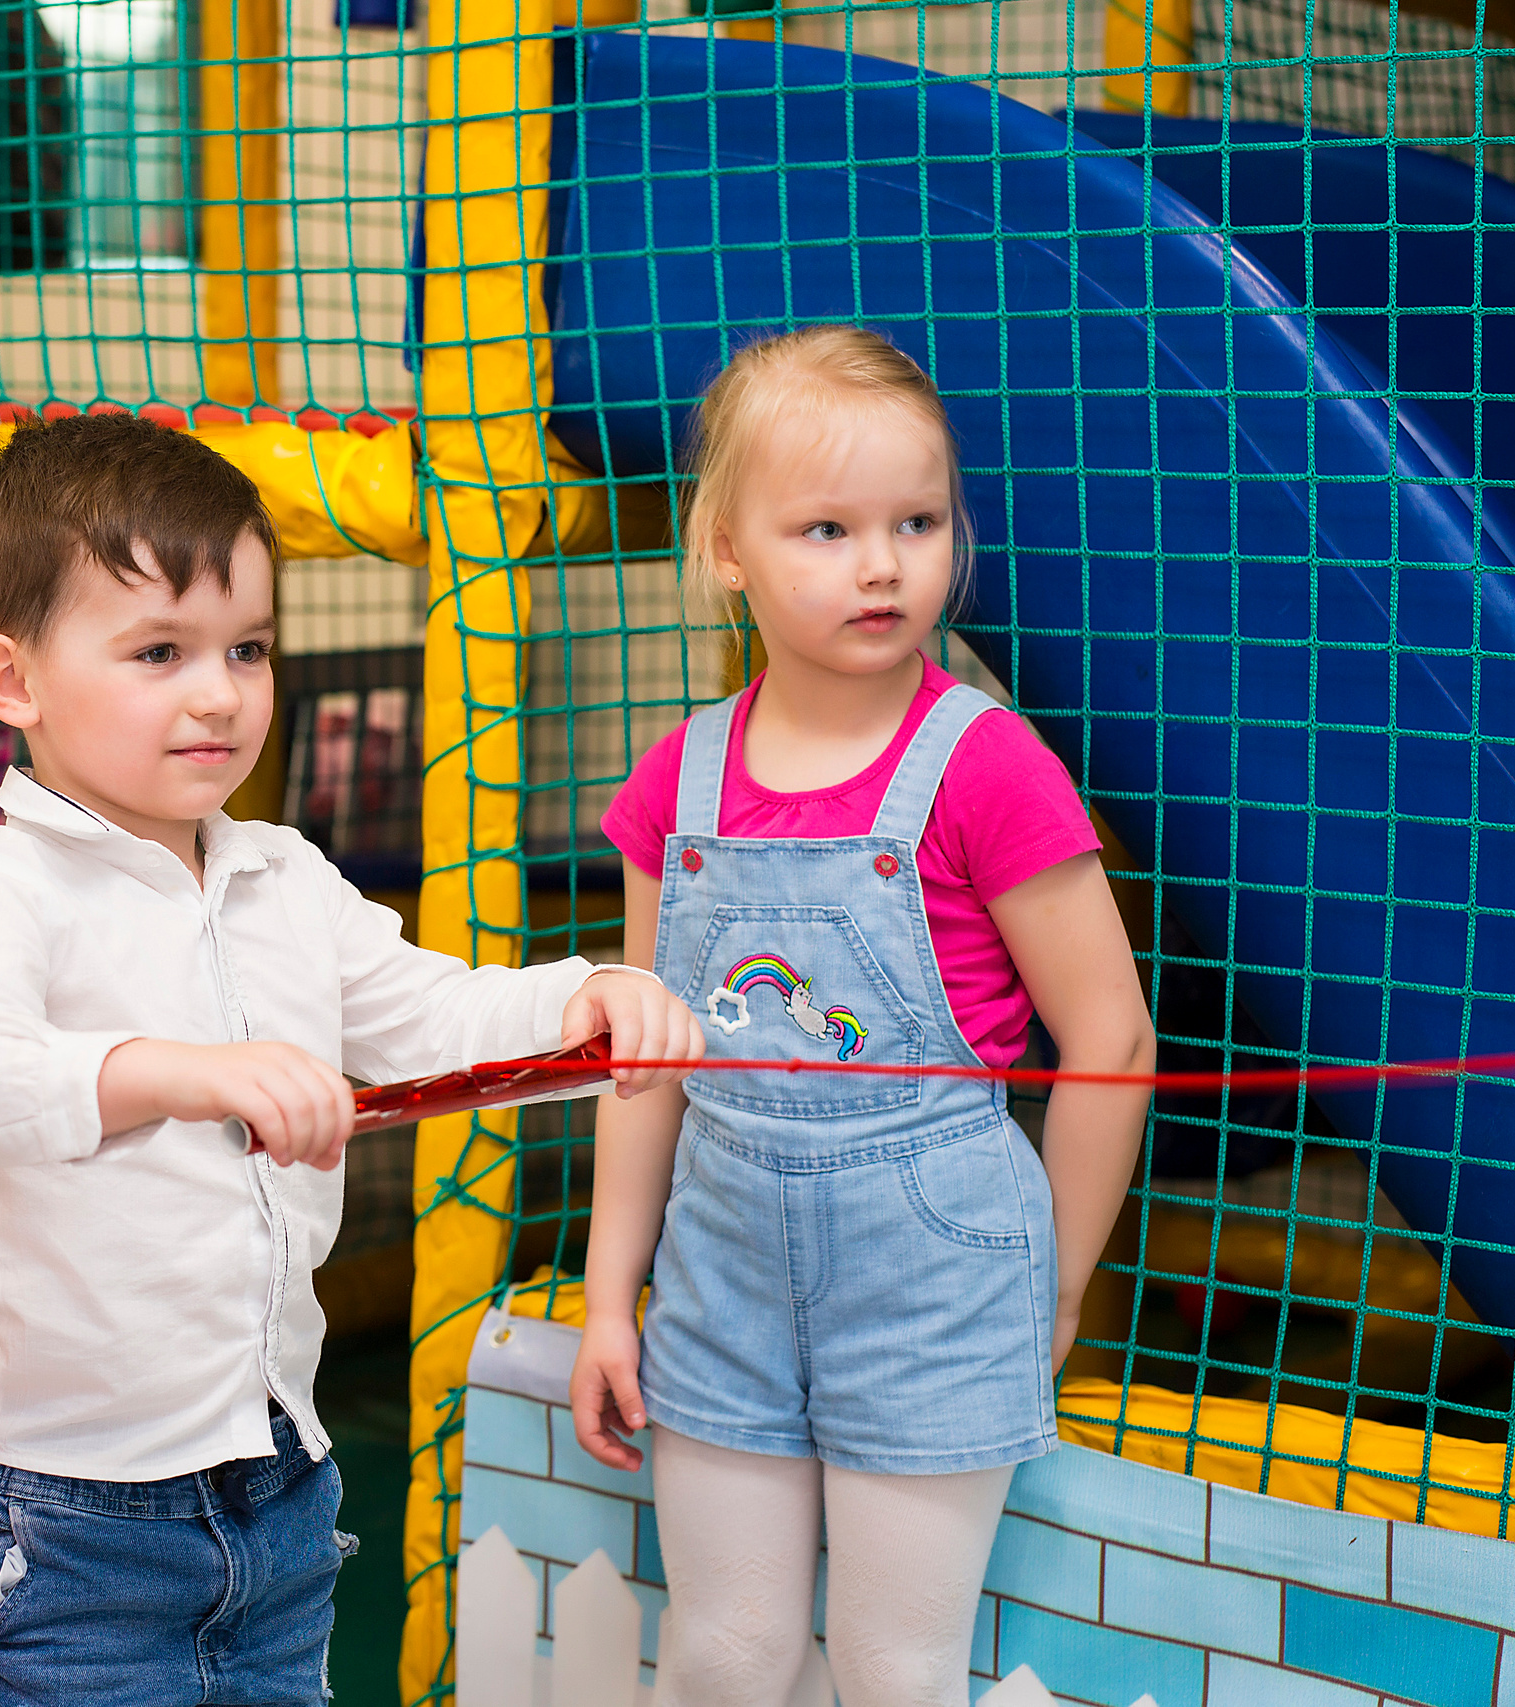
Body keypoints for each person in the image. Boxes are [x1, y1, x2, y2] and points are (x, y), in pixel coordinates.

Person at [0, 412, 705, 1707]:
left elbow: (437, 1012)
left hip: (276, 1476)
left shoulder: (285, 878)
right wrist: (182, 1070)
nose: (220, 691)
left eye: (247, 647)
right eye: (159, 649)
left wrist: (589, 995)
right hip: (65, 1502)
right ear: (13, 678)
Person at [570, 327, 1156, 1707]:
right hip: (719, 1276)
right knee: (725, 1650)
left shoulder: (987, 763)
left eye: (919, 520)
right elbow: (645, 1063)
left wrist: (1054, 1280)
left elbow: (1113, 1038)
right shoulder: (679, 777)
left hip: (937, 1271)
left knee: (898, 1670)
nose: (883, 562)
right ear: (728, 548)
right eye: (827, 527)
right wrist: (610, 1295)